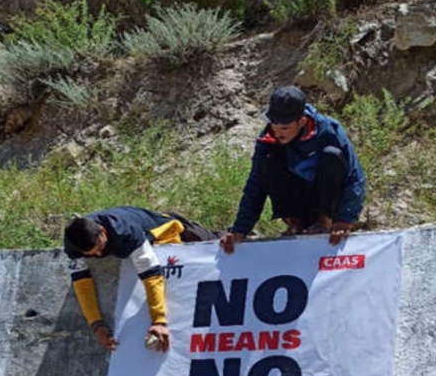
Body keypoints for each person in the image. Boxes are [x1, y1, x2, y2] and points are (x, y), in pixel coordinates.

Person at [219, 85, 366, 253]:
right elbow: (255, 185)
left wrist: (344, 220)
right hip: (296, 197)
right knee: (267, 162)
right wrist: (240, 229)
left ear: (301, 121)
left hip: (325, 197)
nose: (278, 133)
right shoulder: (267, 139)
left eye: (285, 128)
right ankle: (295, 223)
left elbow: (355, 177)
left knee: (332, 155)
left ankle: (324, 221)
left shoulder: (329, 131)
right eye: (274, 125)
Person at [63, 206, 218, 352]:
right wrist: (96, 324)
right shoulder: (72, 244)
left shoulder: (126, 232)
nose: (98, 255)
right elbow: (81, 283)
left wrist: (159, 321)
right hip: (139, 235)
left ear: (102, 231)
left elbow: (152, 275)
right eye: (90, 254)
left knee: (218, 243)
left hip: (170, 231)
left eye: (99, 247)